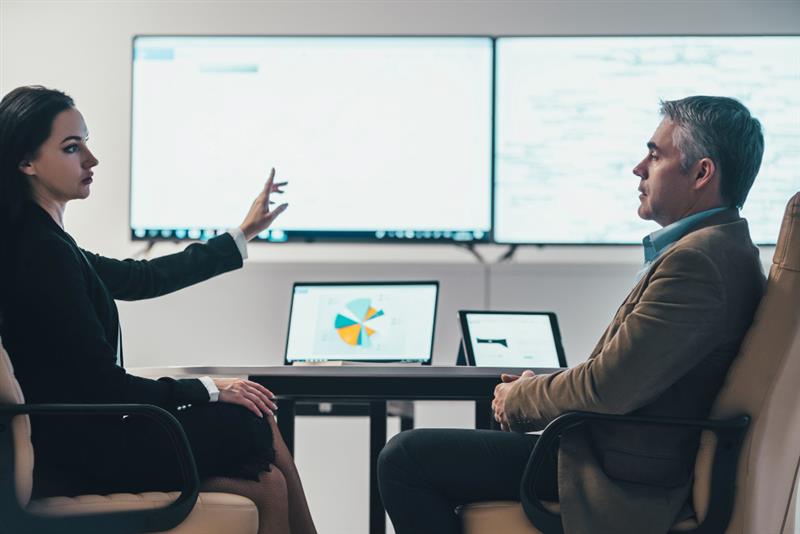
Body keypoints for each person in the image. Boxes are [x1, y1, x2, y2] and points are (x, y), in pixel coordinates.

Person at [378, 96, 767, 534]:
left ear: (701, 173)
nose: (639, 168)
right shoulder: (724, 249)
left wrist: (520, 399)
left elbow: (608, 386)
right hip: (628, 456)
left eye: (655, 155)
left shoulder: (698, 263)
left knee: (405, 459)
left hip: (621, 474)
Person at [0, 86, 315, 534]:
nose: (91, 159)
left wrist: (242, 234)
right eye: (72, 148)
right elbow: (101, 387)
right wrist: (206, 389)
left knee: (265, 477)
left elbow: (142, 278)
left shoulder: (45, 242)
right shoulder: (39, 252)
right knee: (251, 419)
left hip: (79, 439)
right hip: (76, 449)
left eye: (87, 142)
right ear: (25, 162)